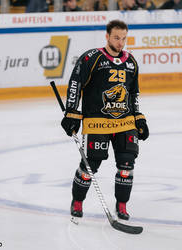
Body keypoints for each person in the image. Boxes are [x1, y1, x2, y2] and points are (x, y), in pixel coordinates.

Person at [61, 20, 149, 221]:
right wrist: (72, 113)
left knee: (127, 165)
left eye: (124, 38)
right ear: (107, 36)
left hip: (125, 122)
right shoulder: (91, 58)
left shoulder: (131, 62)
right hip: (97, 121)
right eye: (117, 38)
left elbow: (134, 93)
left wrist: (139, 119)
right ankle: (77, 201)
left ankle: (122, 205)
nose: (121, 42)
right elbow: (76, 84)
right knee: (90, 165)